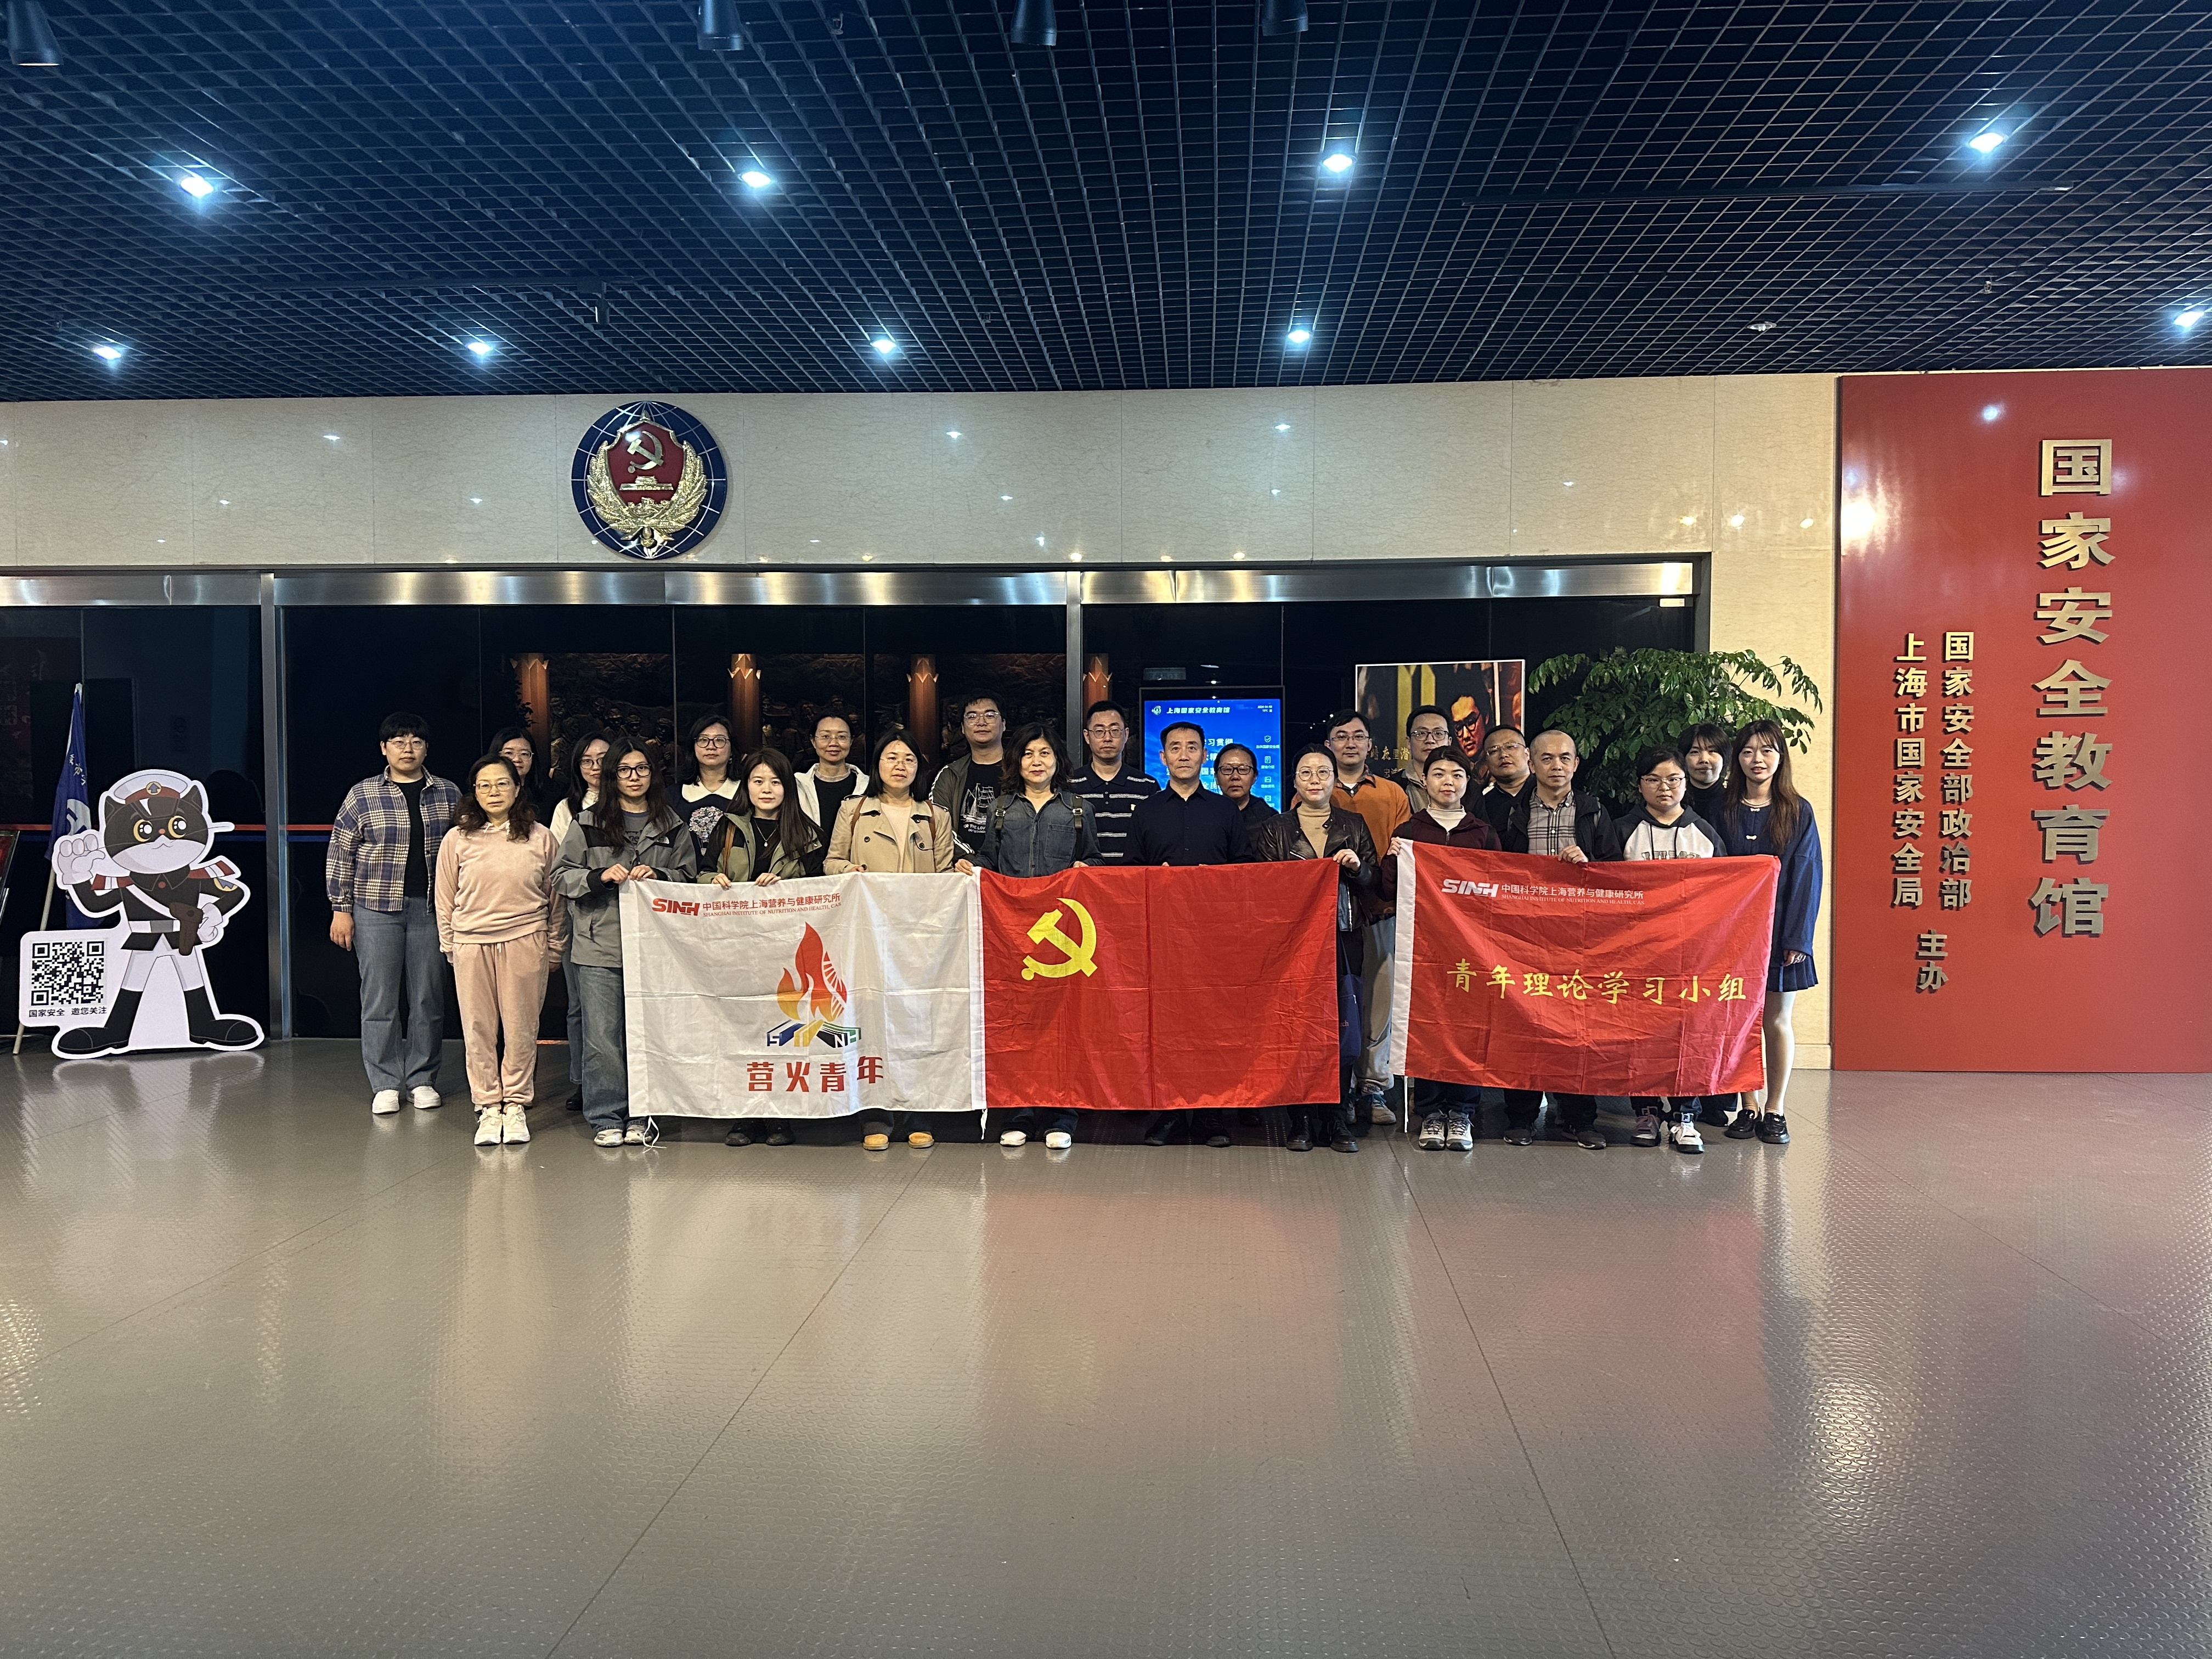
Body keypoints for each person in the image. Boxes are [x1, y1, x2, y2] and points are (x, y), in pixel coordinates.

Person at [554, 738, 698, 1150]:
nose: (634, 777)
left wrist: (662, 877)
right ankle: (606, 1116)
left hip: (655, 948)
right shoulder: (587, 823)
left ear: (653, 774)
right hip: (599, 944)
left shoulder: (672, 824)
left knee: (647, 1035)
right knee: (602, 1037)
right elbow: (561, 876)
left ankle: (643, 1114)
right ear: (612, 775)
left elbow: (690, 878)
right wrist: (599, 877)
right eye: (624, 770)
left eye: (642, 769)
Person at [826, 731, 957, 1150]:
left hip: (918, 935)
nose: (900, 766)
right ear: (877, 764)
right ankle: (876, 1116)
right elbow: (831, 861)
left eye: (908, 759)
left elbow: (944, 876)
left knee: (918, 1023)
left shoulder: (935, 815)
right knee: (873, 1023)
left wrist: (959, 873)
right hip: (869, 932)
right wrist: (849, 870)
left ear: (919, 767)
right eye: (891, 757)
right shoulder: (854, 809)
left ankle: (919, 1114)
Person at [326, 712, 460, 1118]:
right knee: (379, 999)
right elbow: (341, 853)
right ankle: (384, 1082)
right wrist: (340, 909)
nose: (408, 749)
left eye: (416, 741)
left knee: (428, 998)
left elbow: (464, 849)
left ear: (426, 748)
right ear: (384, 748)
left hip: (431, 909)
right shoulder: (363, 794)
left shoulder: (448, 793)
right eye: (399, 742)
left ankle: (422, 1079)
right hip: (375, 909)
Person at [1499, 729, 1624, 1149]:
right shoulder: (1513, 813)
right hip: (1524, 938)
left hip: (1578, 939)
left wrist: (1589, 865)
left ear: (1576, 764)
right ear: (1531, 763)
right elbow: (1494, 870)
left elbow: (1616, 873)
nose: (1557, 766)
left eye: (1565, 758)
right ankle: (1520, 1117)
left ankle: (1579, 1118)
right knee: (1523, 1025)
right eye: (1547, 758)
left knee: (1576, 1030)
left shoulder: (1593, 811)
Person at [1251, 745, 1378, 1154]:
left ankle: (1336, 1117)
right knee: (1297, 1026)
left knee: (1343, 1027)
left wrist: (1358, 868)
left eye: (1323, 772)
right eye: (1306, 772)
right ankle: (1301, 1118)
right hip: (1294, 942)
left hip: (1343, 935)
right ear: (1294, 781)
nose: (1315, 780)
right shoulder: (1274, 829)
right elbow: (1263, 888)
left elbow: (1375, 881)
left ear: (1334, 779)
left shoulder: (1354, 825)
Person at [1130, 721, 1251, 1147]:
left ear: (1204, 756)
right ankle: (1166, 1113)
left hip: (1213, 938)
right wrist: (1155, 878)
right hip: (1162, 939)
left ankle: (1210, 1115)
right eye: (1176, 748)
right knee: (1164, 1027)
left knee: (1212, 1026)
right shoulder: (1146, 811)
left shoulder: (1224, 811)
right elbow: (1129, 874)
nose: (1184, 754)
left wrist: (1213, 881)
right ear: (1162, 757)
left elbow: (1245, 870)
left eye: (1193, 747)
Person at [977, 724, 1096, 1152]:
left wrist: (1088, 870)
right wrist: (970, 865)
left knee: (1065, 1027)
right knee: (1019, 1026)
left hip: (1064, 935)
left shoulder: (1078, 808)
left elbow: (1094, 859)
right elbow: (989, 858)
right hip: (1012, 933)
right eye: (1028, 754)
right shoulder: (1001, 809)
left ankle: (1063, 1114)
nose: (1037, 761)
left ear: (1057, 760)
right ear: (1017, 761)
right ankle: (1021, 1113)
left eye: (1045, 753)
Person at [437, 754, 566, 1147]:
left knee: (521, 1027)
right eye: (485, 785)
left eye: (502, 783)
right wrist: (451, 944)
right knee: (478, 1027)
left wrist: (555, 946)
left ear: (517, 787)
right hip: (472, 943)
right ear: (474, 793)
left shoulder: (541, 837)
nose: (494, 792)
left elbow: (556, 897)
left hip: (526, 940)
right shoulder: (457, 838)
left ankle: (516, 1104)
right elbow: (444, 897)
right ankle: (488, 1105)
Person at [701, 747, 825, 1150]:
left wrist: (787, 889)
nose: (766, 789)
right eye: (758, 781)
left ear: (788, 787)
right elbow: (701, 873)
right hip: (735, 947)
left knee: (782, 1030)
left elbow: (822, 892)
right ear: (747, 786)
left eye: (775, 781)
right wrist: (712, 882)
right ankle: (745, 1114)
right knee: (741, 1029)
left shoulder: (807, 834)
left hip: (786, 950)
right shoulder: (728, 828)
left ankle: (781, 1115)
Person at [1380, 747, 1499, 1152]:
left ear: (1468, 783)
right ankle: (1431, 1111)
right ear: (1425, 781)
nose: (1448, 782)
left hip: (1472, 948)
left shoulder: (1483, 834)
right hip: (1423, 948)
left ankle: (1462, 1112)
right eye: (1439, 774)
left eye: (1457, 775)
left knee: (1468, 1026)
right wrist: (1393, 859)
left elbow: (1499, 892)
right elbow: (1389, 889)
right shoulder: (1409, 832)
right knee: (1428, 1025)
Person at [1613, 746, 1725, 1155]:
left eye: (1674, 779)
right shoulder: (1622, 830)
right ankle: (1645, 1112)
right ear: (1640, 784)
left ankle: (1684, 1116)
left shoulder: (1705, 833)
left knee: (1687, 1035)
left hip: (1691, 956)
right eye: (1655, 780)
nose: (1665, 788)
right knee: (1639, 1035)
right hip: (1636, 954)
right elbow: (1605, 890)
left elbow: (1725, 893)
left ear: (1685, 784)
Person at [1717, 719, 1821, 1147]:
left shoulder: (1798, 811)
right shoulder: (1722, 810)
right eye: (1747, 751)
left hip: (1780, 935)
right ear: (1737, 759)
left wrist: (1798, 939)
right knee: (1740, 1020)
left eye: (1766, 750)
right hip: (1731, 935)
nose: (1756, 760)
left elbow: (1808, 875)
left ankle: (1775, 1109)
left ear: (1781, 757)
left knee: (1776, 1020)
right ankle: (1748, 1105)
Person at [1326, 709, 1411, 1127]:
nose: (1350, 743)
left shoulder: (1392, 793)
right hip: (1330, 918)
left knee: (1379, 1002)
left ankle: (1374, 1088)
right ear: (1330, 745)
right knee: (1338, 1001)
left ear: (1370, 745)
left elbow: (1400, 851)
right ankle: (1335, 1088)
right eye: (1341, 736)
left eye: (1358, 736)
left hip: (1379, 909)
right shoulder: (1316, 788)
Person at [548, 729, 611, 1113]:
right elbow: (563, 866)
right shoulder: (566, 809)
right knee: (579, 1005)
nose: (595, 767)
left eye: (603, 760)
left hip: (624, 915)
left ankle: (623, 1082)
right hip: (579, 913)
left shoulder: (634, 802)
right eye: (587, 761)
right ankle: (584, 1081)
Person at [1067, 699, 1158, 864]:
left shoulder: (1147, 786)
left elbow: (1155, 840)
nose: (1107, 738)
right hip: (1085, 876)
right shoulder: (1070, 785)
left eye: (1115, 730)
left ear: (1126, 734)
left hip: (1133, 876)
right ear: (1087, 736)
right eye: (1099, 731)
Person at [928, 691, 1007, 862]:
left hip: (1010, 868)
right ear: (963, 728)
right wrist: (968, 858)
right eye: (972, 716)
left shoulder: (1021, 771)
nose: (981, 722)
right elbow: (938, 824)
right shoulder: (950, 775)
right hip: (962, 867)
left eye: (990, 715)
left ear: (1003, 724)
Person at [677, 713, 742, 865]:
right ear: (693, 748)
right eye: (703, 740)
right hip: (684, 877)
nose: (711, 747)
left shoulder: (747, 794)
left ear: (732, 750)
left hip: (735, 877)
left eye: (719, 740)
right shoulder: (673, 796)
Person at [794, 710, 868, 834]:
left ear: (851, 741)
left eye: (842, 737)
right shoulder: (797, 786)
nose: (834, 743)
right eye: (825, 737)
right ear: (813, 741)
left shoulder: (868, 786)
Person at [1392, 704, 1454, 815]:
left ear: (1449, 742)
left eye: (1438, 734)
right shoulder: (1391, 787)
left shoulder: (1466, 786)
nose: (1430, 740)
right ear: (1409, 742)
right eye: (1421, 734)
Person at [1478, 726, 1533, 841]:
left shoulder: (1546, 792)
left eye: (1510, 747)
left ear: (1527, 753)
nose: (1503, 755)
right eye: (1494, 751)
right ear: (1486, 761)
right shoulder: (1482, 804)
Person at [488, 724, 555, 816]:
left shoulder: (549, 797)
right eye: (509, 753)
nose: (517, 759)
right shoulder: (485, 794)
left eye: (524, 754)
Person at [1212, 742, 1278, 831]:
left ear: (1254, 777)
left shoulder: (1270, 820)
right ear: (1216, 777)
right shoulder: (1205, 815)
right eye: (1227, 769)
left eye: (1243, 769)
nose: (1235, 777)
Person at [1680, 722, 1731, 828]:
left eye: (1712, 751)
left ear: (1724, 758)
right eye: (1695, 752)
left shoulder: (1734, 803)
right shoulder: (1675, 803)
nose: (1704, 760)